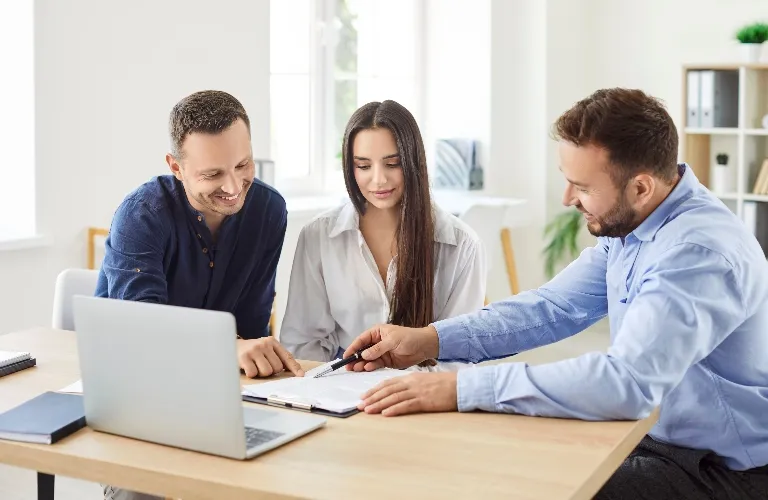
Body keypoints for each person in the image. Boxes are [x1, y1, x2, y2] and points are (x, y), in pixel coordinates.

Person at [343, 88, 768, 499]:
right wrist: (430, 339)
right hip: (655, 437)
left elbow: (626, 383)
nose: (567, 199)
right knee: (494, 458)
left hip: (722, 471)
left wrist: (461, 387)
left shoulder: (696, 254)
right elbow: (551, 308)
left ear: (640, 187)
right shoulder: (635, 226)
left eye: (582, 187)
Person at [96, 90, 301, 500]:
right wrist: (229, 349)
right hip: (141, 400)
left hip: (223, 402)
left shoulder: (268, 211)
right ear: (176, 167)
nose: (233, 186)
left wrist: (249, 352)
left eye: (243, 165)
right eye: (212, 174)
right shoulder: (140, 215)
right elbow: (142, 330)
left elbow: (251, 326)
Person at [280, 100, 486, 372]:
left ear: (413, 163)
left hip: (424, 394)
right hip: (341, 388)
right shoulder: (319, 236)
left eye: (392, 164)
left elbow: (460, 355)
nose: (378, 180)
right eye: (363, 166)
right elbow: (302, 343)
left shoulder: (462, 245)